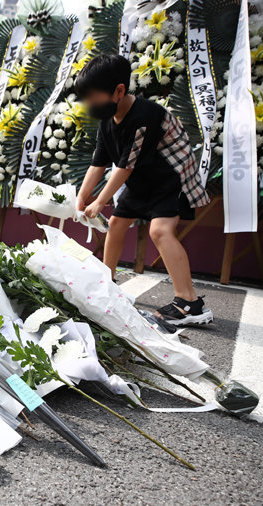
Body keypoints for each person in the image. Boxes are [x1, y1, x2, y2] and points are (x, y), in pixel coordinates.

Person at [74, 54, 213, 326]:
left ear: (119, 91)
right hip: (143, 179)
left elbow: (124, 167)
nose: (89, 105)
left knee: (160, 231)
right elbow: (99, 162)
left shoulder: (145, 116)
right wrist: (80, 199)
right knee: (115, 224)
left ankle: (190, 304)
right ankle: (108, 283)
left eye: (93, 98)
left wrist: (99, 201)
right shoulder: (107, 120)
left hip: (172, 178)